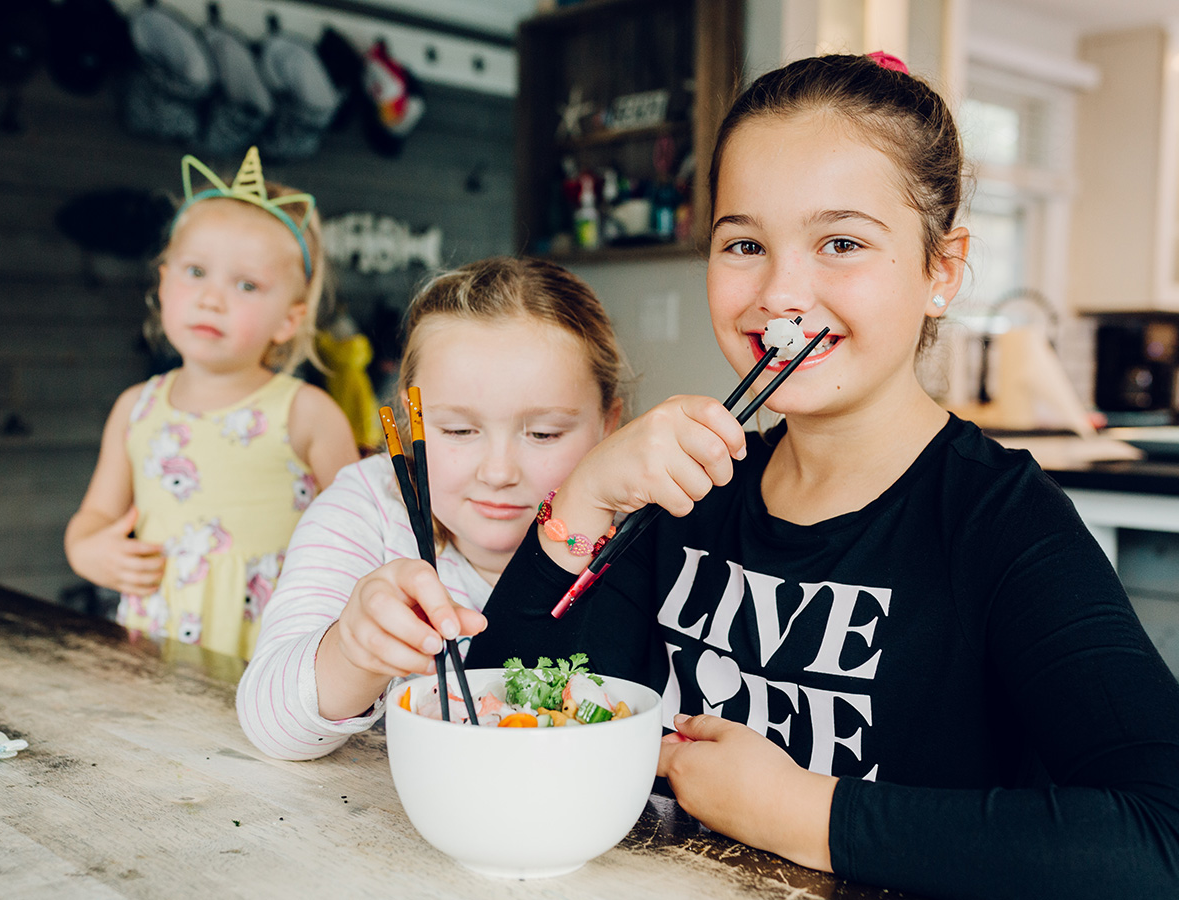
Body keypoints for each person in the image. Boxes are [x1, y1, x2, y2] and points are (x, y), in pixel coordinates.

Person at [459, 55, 1179, 898]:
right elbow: (507, 718)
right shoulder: (693, 492)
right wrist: (584, 496)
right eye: (744, 244)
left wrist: (805, 812)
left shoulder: (1003, 524)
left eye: (841, 242)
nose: (781, 292)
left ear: (940, 271)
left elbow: (1159, 835)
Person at [236, 257, 626, 758]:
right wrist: (354, 651)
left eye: (544, 433)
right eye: (459, 430)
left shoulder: (647, 532)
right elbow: (272, 724)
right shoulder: (369, 508)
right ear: (410, 418)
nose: (498, 471)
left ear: (609, 424)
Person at [65, 147, 358, 661]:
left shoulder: (307, 414)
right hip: (151, 651)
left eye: (246, 284)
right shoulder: (136, 408)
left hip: (275, 657)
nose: (212, 298)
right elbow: (93, 517)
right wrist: (89, 551)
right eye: (196, 271)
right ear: (163, 282)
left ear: (289, 319)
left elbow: (363, 535)